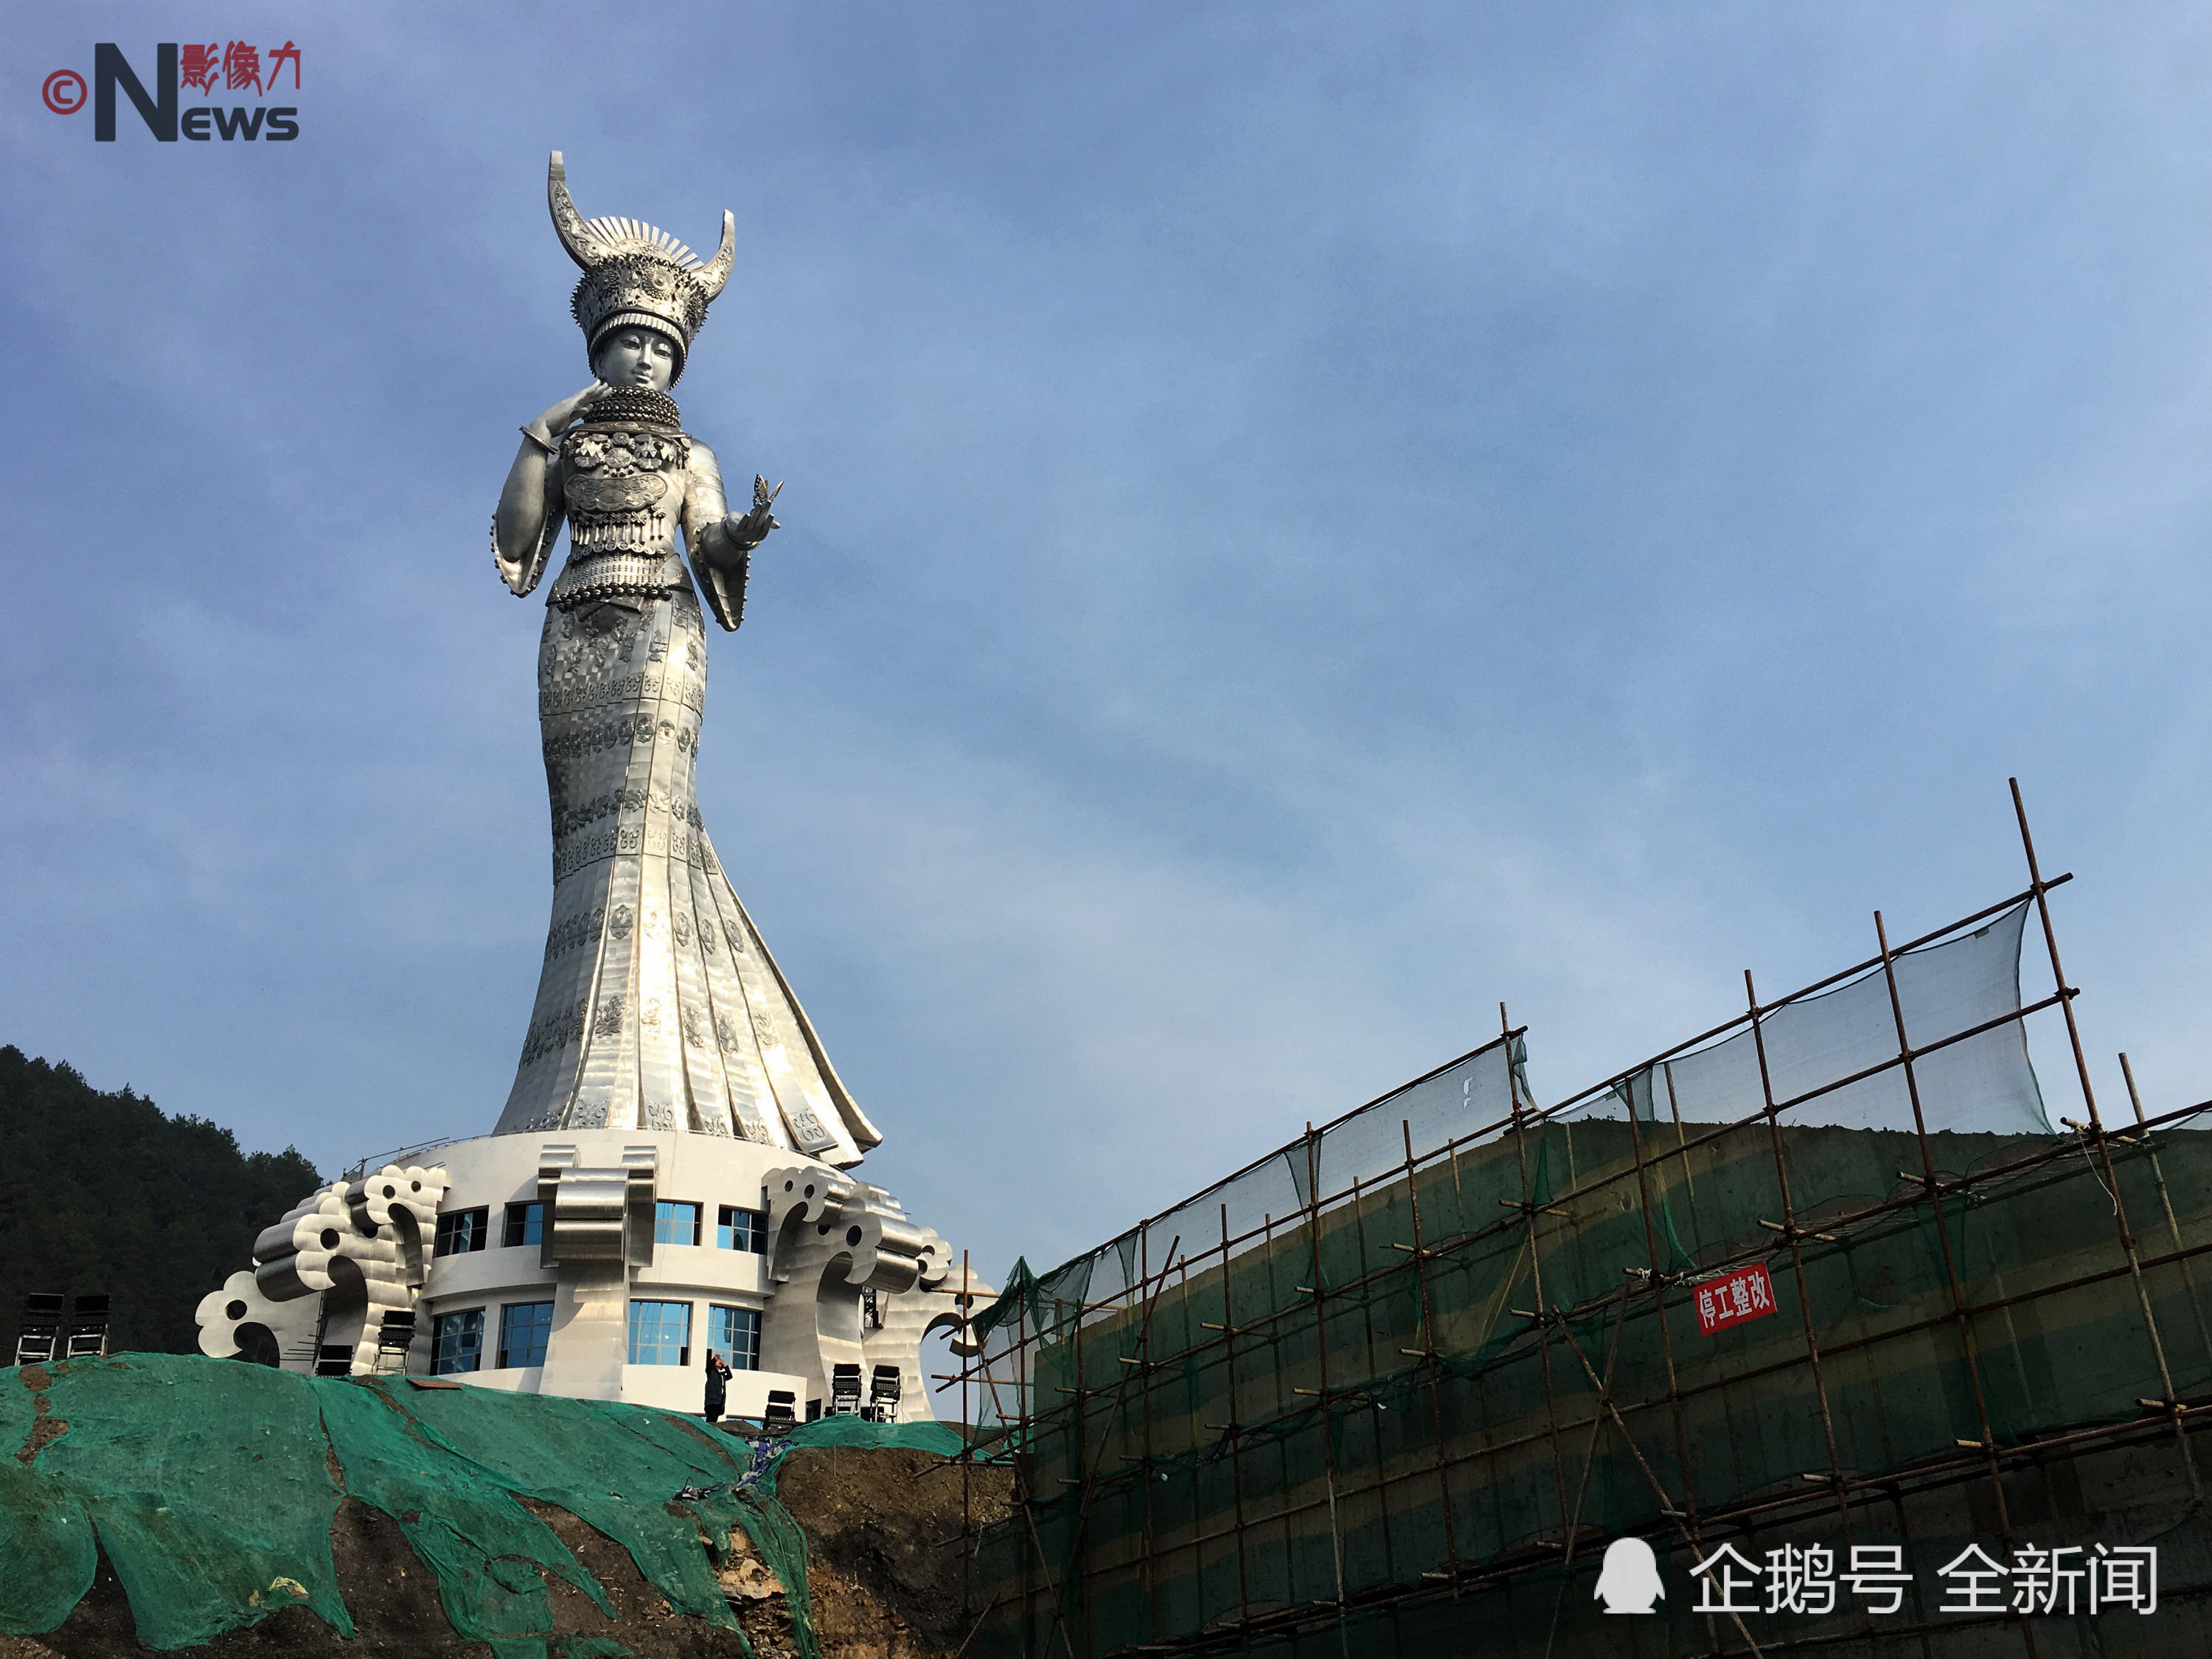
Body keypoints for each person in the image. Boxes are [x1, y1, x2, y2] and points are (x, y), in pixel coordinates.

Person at [484, 153, 883, 1160]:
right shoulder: (566, 444)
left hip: (661, 635)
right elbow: (518, 543)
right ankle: (578, 1073)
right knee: (585, 845)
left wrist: (744, 531)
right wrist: (541, 435)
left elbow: (706, 543)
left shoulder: (691, 455)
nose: (647, 362)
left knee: (650, 825)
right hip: (575, 629)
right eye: (631, 343)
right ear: (600, 345)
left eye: (664, 348)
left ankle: (657, 1080)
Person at [703, 1349, 733, 1424]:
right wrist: (714, 1360)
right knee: (710, 1418)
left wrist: (725, 1366)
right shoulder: (712, 1372)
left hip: (719, 1401)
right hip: (711, 1400)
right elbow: (708, 1368)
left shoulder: (722, 1376)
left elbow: (730, 1376)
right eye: (718, 1361)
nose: (720, 1362)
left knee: (715, 1418)